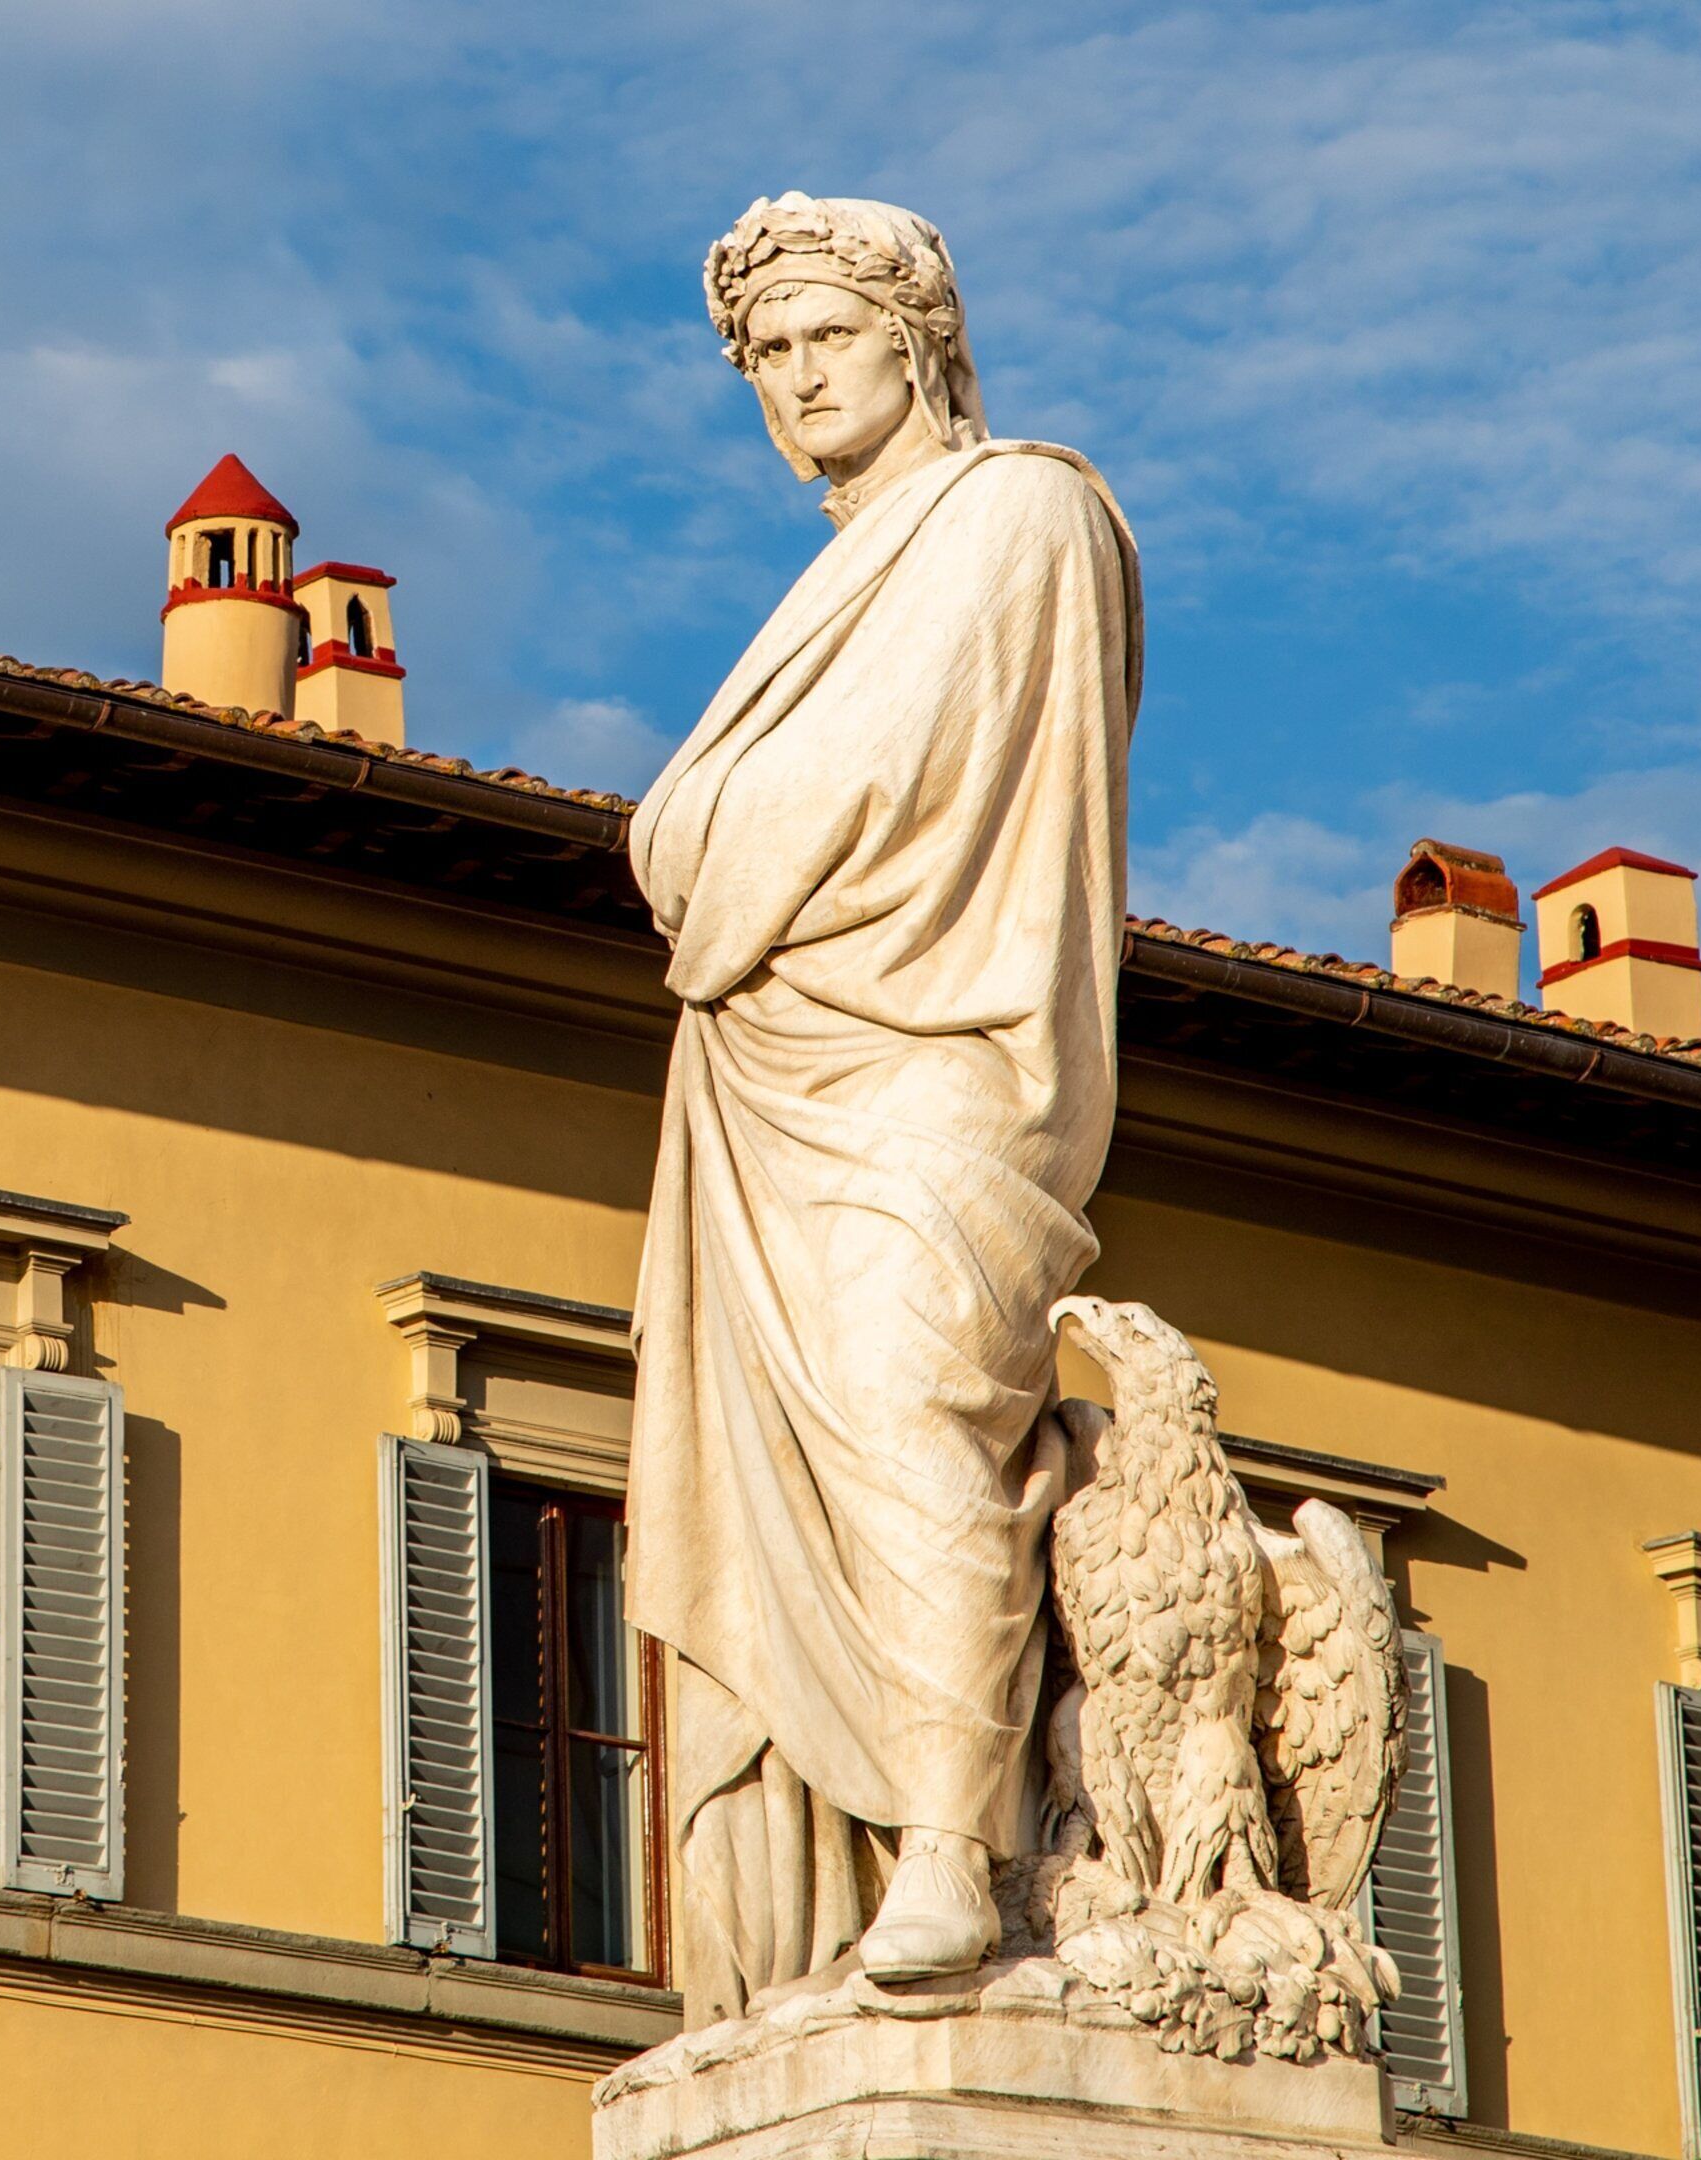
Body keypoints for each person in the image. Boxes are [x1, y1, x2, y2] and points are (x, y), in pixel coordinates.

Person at [624, 193, 1142, 2016]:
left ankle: (949, 1845)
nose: (788, 381)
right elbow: (709, 830)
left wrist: (693, 846)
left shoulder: (1022, 513)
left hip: (942, 1051)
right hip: (773, 1081)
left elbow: (844, 785)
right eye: (762, 356)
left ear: (918, 340)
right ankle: (829, 1897)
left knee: (910, 1396)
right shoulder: (835, 575)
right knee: (794, 1465)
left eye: (820, 339)